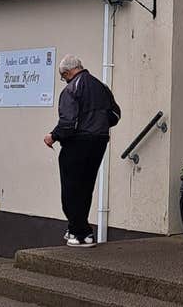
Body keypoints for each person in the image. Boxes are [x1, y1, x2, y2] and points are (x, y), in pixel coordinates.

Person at [44, 54, 120, 247]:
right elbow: (115, 114)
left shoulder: (71, 89)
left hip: (77, 142)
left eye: (63, 76)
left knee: (71, 189)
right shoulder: (101, 87)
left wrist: (53, 136)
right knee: (86, 187)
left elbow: (68, 123)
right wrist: (98, 125)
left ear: (67, 72)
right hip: (99, 141)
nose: (64, 80)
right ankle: (78, 229)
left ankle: (80, 233)